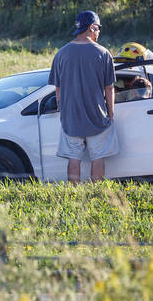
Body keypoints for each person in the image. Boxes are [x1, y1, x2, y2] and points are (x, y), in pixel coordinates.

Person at [49, 10, 118, 182]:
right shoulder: (103, 53)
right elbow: (109, 89)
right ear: (91, 27)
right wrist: (111, 113)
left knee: (74, 157)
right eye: (98, 28)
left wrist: (63, 112)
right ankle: (97, 192)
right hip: (97, 116)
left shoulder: (61, 54)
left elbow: (58, 90)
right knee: (98, 156)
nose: (99, 32)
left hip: (71, 118)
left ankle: (74, 193)